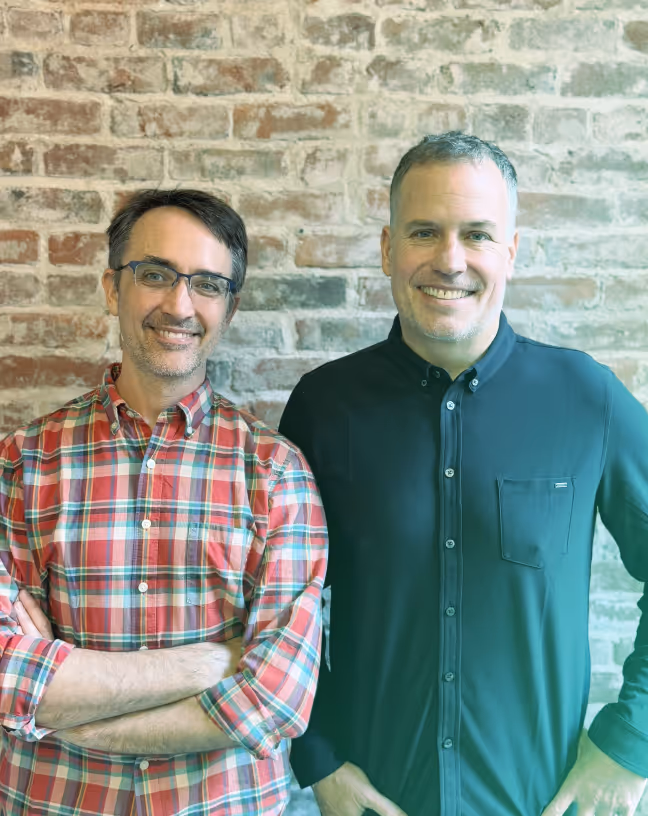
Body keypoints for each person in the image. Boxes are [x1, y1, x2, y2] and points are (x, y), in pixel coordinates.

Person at [280, 132, 648, 816]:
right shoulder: (324, 408)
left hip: (538, 802)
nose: (450, 260)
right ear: (390, 249)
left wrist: (632, 741)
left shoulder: (585, 398)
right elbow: (279, 606)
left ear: (511, 252)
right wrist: (317, 756)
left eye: (476, 234)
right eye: (425, 231)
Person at [0, 189, 328, 816]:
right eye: (155, 275)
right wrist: (212, 663)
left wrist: (71, 719)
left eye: (207, 283)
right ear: (111, 287)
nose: (179, 304)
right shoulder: (21, 463)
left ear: (228, 309)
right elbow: (6, 675)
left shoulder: (275, 472)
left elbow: (277, 698)